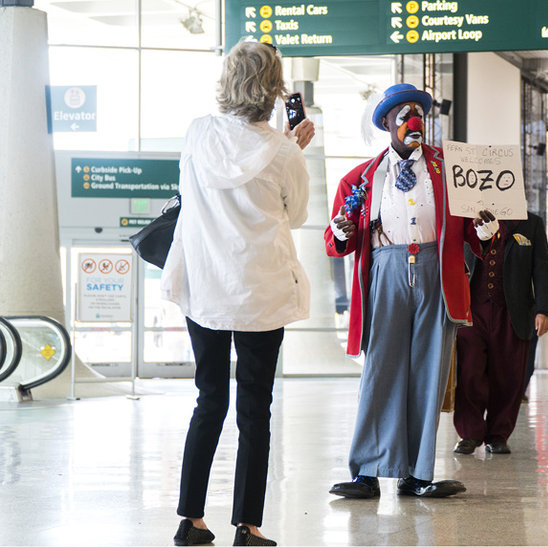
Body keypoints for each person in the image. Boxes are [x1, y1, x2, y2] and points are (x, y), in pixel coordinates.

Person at [160, 41, 315, 547]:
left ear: (227, 81)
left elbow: (189, 193)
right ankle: (247, 527)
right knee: (255, 409)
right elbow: (295, 216)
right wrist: (294, 147)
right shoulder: (284, 150)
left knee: (209, 400)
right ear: (274, 88)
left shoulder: (198, 133)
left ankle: (190, 519)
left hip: (204, 285)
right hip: (260, 292)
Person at [324, 83, 498, 499]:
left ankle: (417, 474)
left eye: (418, 111)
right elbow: (336, 241)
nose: (412, 120)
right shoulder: (360, 178)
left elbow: (477, 229)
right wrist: (339, 231)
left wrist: (487, 232)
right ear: (386, 122)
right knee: (380, 369)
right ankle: (367, 470)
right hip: (386, 268)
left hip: (437, 270)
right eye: (402, 113)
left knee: (429, 372)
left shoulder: (451, 171)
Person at [453, 213, 548, 455]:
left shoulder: (532, 223)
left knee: (509, 376)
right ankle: (469, 433)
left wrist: (544, 310)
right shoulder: (467, 217)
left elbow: (542, 267)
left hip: (513, 311)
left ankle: (498, 435)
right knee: (469, 372)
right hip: (471, 309)